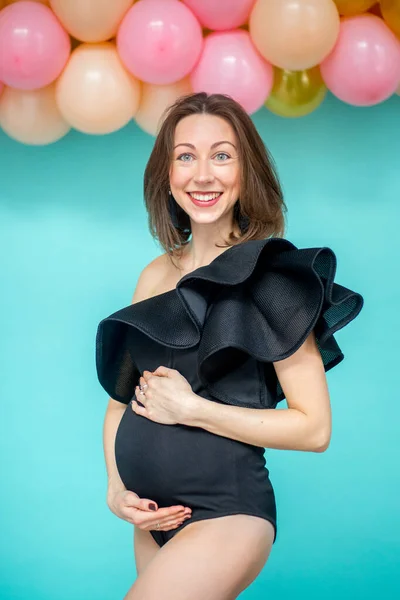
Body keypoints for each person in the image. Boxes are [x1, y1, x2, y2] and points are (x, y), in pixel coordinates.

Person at [96, 92, 364, 599]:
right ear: (167, 175)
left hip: (227, 508)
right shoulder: (153, 275)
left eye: (222, 155)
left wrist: (193, 409)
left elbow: (315, 428)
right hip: (151, 517)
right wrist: (116, 489)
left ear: (246, 172)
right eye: (185, 156)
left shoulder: (272, 278)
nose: (202, 175)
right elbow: (119, 406)